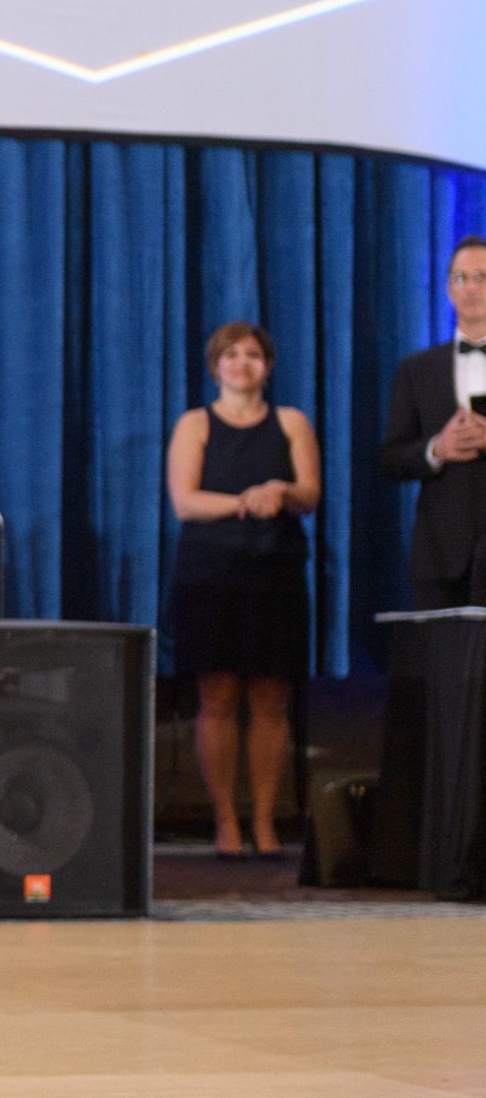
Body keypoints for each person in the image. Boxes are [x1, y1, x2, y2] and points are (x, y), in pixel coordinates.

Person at [166, 321, 319, 859]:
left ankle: (265, 821)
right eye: (230, 355)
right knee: (219, 697)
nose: (242, 364)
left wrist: (280, 490)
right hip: (210, 575)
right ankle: (226, 822)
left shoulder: (291, 422)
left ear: (268, 366)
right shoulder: (194, 424)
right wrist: (245, 502)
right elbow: (184, 502)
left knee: (271, 701)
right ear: (215, 366)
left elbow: (310, 492)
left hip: (275, 573)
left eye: (253, 354)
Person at [382, 235, 486, 608]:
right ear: (447, 289)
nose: (471, 288)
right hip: (441, 555)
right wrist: (436, 449)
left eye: (481, 277)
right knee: (443, 665)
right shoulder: (416, 369)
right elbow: (391, 457)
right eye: (461, 278)